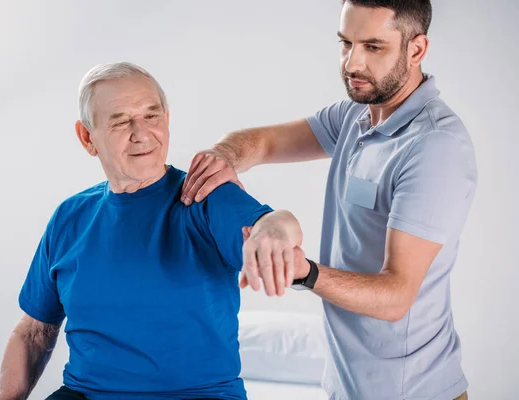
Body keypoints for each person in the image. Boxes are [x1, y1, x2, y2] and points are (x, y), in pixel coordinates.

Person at [181, 1, 477, 399]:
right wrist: (225, 156)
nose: (352, 64)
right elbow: (266, 142)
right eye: (346, 43)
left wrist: (305, 272)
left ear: (416, 49)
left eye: (373, 47)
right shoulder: (355, 117)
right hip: (346, 387)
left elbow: (396, 296)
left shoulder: (434, 146)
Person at [0, 62, 304, 400]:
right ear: (87, 137)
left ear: (167, 120)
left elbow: (276, 223)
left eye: (152, 116)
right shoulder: (70, 217)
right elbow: (33, 333)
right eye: (121, 121)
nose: (141, 133)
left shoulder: (204, 196)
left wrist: (274, 230)